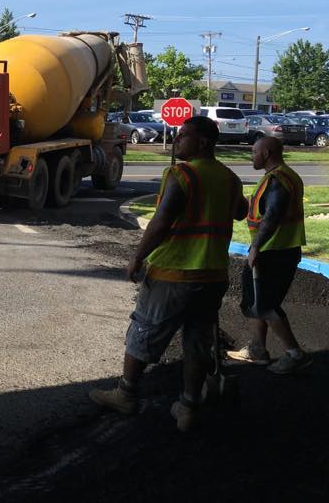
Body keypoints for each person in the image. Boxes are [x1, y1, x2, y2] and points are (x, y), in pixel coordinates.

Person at [89, 116, 247, 432]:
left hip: (174, 273)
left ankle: (127, 394)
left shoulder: (181, 175)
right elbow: (241, 212)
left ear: (202, 142)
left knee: (145, 331)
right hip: (213, 276)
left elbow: (161, 222)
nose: (176, 140)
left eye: (183, 135)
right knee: (198, 341)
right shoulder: (229, 178)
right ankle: (188, 406)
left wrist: (137, 257)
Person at [226, 136, 310, 373]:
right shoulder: (282, 176)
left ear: (267, 153)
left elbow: (272, 215)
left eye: (254, 152)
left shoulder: (277, 180)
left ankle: (295, 354)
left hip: (273, 251)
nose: (251, 156)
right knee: (257, 300)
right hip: (278, 249)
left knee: (266, 303)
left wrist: (256, 247)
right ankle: (257, 350)